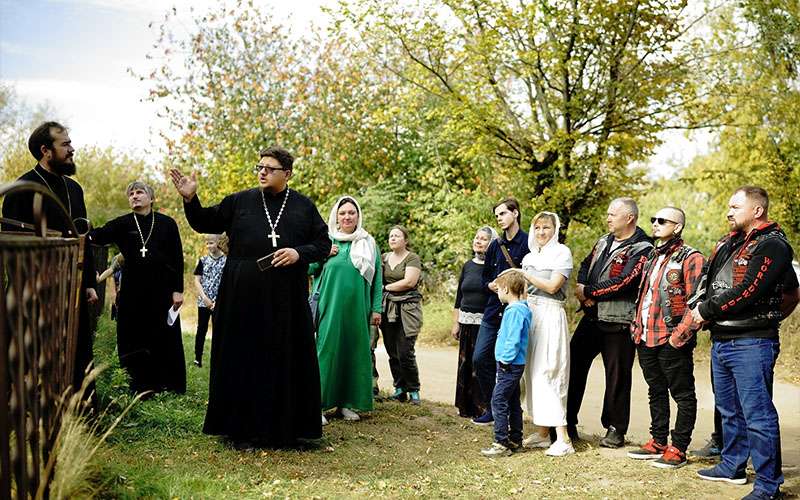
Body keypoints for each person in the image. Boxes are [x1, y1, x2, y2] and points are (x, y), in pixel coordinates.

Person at [169, 146, 331, 447]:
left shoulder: (302, 206)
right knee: (242, 356)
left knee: (284, 357)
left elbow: (323, 243)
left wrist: (299, 252)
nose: (262, 172)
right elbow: (205, 221)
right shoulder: (239, 201)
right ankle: (239, 428)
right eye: (260, 166)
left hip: (285, 299)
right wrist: (190, 198)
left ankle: (284, 429)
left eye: (270, 168)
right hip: (241, 297)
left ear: (287, 174)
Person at [691, 186, 798, 500]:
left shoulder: (774, 245)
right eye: (729, 206)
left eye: (735, 206)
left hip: (752, 342)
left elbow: (749, 289)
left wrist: (707, 311)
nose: (729, 212)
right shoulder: (729, 242)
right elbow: (709, 281)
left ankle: (767, 485)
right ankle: (732, 465)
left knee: (758, 414)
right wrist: (700, 306)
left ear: (757, 210)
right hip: (722, 340)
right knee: (728, 410)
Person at [2, 121, 97, 403]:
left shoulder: (74, 188)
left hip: (74, 284)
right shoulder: (22, 188)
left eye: (70, 142)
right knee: (35, 354)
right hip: (35, 288)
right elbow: (12, 245)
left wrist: (90, 283)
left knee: (76, 352)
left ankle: (79, 409)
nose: (72, 149)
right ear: (46, 150)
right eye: (64, 144)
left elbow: (84, 238)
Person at [567, 197, 652, 447]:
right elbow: (585, 265)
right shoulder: (603, 241)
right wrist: (583, 287)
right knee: (573, 365)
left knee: (617, 376)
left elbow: (626, 281)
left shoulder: (643, 249)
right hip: (591, 317)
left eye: (613, 214)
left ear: (630, 218)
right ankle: (567, 421)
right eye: (607, 214)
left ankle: (615, 429)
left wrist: (590, 292)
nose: (608, 218)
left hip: (619, 321)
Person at [89, 181, 186, 395]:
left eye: (139, 192)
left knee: (162, 335)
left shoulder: (167, 223)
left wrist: (177, 289)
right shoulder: (122, 223)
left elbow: (177, 258)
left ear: (151, 199)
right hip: (132, 291)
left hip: (161, 290)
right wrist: (81, 233)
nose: (134, 196)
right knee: (132, 336)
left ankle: (166, 384)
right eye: (131, 194)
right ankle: (135, 384)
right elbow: (98, 235)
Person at [626, 207, 706, 469]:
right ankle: (658, 441)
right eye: (654, 220)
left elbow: (697, 303)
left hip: (672, 338)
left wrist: (677, 338)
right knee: (655, 391)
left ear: (678, 227)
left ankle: (679, 448)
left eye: (662, 221)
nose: (656, 224)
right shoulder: (652, 254)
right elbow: (646, 295)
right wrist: (635, 326)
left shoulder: (691, 257)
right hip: (646, 335)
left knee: (683, 394)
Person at [310, 196, 382, 424]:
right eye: (343, 213)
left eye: (351, 212)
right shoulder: (326, 240)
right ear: (336, 217)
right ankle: (317, 406)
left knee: (353, 353)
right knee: (327, 352)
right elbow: (308, 268)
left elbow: (377, 278)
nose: (347, 217)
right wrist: (322, 254)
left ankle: (346, 404)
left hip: (358, 308)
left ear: (358, 215)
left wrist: (376, 308)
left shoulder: (368, 242)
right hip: (329, 308)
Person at [513, 212, 575, 457]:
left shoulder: (562, 252)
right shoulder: (530, 256)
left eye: (546, 228)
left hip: (551, 314)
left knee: (549, 371)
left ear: (554, 229)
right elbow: (526, 293)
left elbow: (552, 286)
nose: (541, 232)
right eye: (537, 228)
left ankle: (564, 438)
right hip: (532, 313)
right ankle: (542, 433)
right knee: (530, 373)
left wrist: (523, 274)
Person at [471, 198, 529, 425]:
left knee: (511, 364)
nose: (499, 218)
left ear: (515, 213)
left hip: (516, 312)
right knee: (480, 358)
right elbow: (485, 277)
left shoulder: (528, 243)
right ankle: (493, 408)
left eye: (503, 213)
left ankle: (510, 413)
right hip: (493, 310)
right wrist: (491, 286)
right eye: (497, 216)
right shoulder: (495, 245)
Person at [480, 270, 531, 457]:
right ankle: (516, 439)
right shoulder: (518, 309)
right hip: (511, 364)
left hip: (509, 364)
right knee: (512, 400)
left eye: (499, 289)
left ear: (507, 289)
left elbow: (514, 339)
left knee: (498, 400)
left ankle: (501, 442)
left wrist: (504, 360)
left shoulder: (515, 311)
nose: (498, 293)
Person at [451, 225, 497, 418]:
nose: (478, 241)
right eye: (476, 238)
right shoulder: (468, 265)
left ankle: (486, 407)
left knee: (482, 364)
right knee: (466, 364)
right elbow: (459, 296)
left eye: (483, 238)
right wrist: (456, 322)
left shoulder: (494, 266)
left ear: (492, 243)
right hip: (466, 321)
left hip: (485, 322)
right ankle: (467, 407)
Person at [381, 225, 424, 405]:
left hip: (407, 308)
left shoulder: (412, 257)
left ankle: (413, 389)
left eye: (397, 236)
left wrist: (385, 288)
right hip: (388, 308)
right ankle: (399, 389)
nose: (393, 238)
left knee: (406, 351)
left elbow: (409, 282)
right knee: (392, 351)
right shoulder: (384, 257)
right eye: (391, 236)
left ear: (405, 240)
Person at [193, 234, 227, 368]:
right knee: (201, 328)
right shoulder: (203, 260)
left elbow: (226, 282)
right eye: (207, 243)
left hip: (220, 301)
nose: (209, 246)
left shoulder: (226, 261)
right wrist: (205, 298)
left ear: (218, 242)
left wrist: (217, 301)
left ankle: (217, 358)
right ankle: (197, 358)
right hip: (204, 302)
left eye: (211, 243)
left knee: (218, 329)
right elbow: (197, 280)